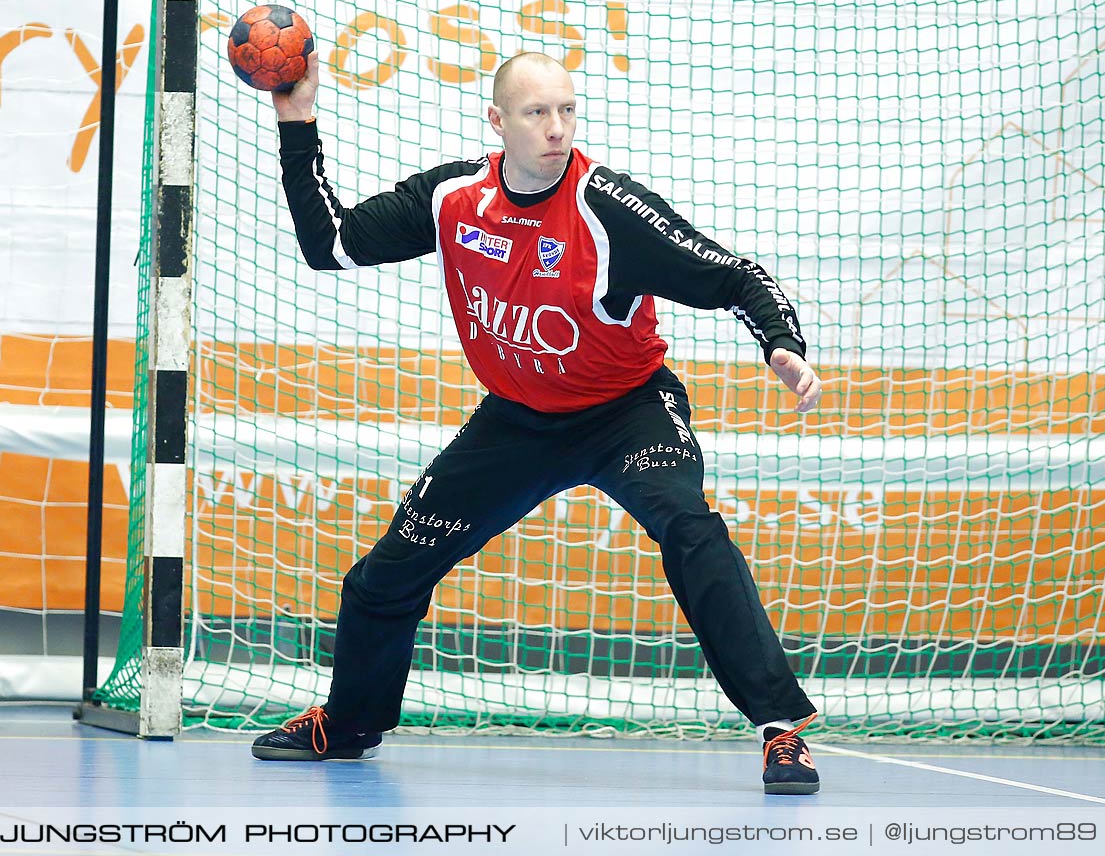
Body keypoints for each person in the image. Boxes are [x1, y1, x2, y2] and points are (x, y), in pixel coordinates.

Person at [252, 50, 823, 795]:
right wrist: (297, 122)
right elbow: (330, 245)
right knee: (383, 578)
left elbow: (734, 275)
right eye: (536, 113)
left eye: (567, 111)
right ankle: (351, 723)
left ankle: (782, 731)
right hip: (517, 423)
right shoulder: (455, 198)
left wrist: (782, 345)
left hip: (628, 413)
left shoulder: (609, 208)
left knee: (689, 526)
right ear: (498, 121)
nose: (557, 129)